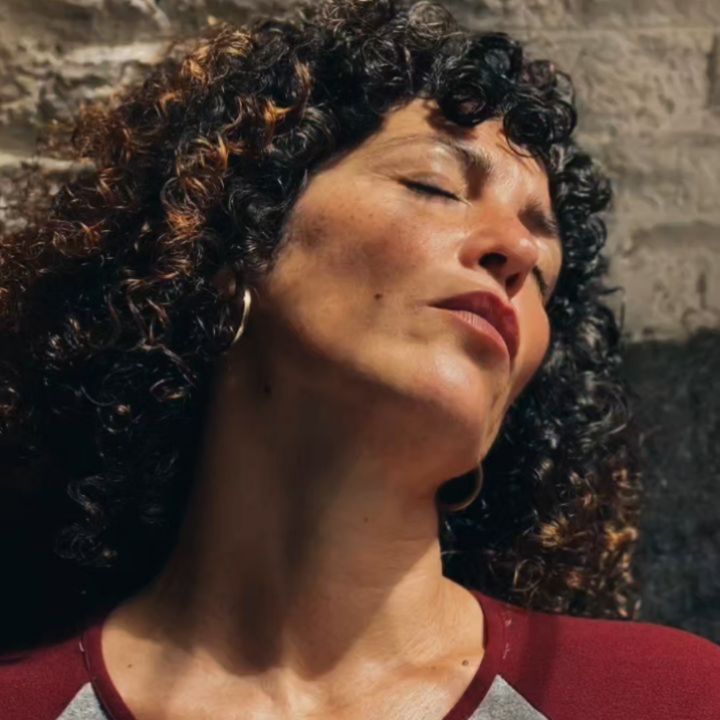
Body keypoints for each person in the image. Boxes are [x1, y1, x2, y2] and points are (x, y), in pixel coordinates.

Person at [1, 0, 719, 718]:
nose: (517, 251)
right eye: (434, 187)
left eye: (544, 276)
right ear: (231, 238)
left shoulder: (669, 698)